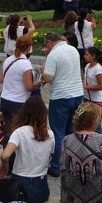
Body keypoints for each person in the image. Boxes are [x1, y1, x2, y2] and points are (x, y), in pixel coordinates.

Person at [60, 102, 102, 203]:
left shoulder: (66, 140)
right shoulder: (101, 140)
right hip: (100, 199)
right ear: (94, 122)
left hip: (71, 199)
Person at [41, 31, 84, 177]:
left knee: (58, 133)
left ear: (49, 42)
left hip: (60, 97)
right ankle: (70, 164)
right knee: (71, 132)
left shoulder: (54, 54)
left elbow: (48, 78)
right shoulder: (73, 50)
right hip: (77, 94)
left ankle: (56, 167)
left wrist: (42, 71)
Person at [0, 96, 54, 203]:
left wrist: (5, 164)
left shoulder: (19, 132)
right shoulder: (50, 134)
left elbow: (5, 155)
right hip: (41, 188)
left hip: (19, 186)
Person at [0, 35, 39, 143]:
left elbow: (2, 79)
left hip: (5, 99)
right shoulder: (25, 63)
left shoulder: (8, 60)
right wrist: (38, 84)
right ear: (28, 47)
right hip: (18, 102)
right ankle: (14, 157)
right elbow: (29, 86)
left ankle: (7, 154)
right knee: (18, 131)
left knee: (8, 130)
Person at [83, 47, 102, 126]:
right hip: (86, 98)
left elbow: (101, 86)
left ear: (93, 56)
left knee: (96, 124)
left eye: (87, 54)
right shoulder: (87, 66)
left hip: (96, 100)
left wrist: (86, 87)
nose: (84, 56)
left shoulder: (98, 69)